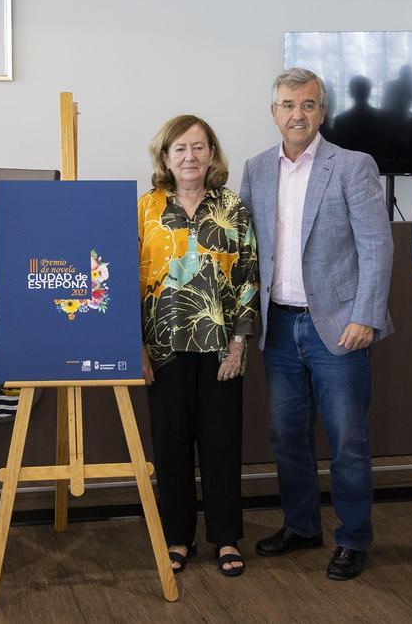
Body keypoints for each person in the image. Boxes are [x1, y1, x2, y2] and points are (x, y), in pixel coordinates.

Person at [239, 68, 393, 581]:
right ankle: (302, 526)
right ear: (274, 112)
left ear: (321, 112)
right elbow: (244, 249)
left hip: (339, 328)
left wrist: (366, 316)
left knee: (347, 439)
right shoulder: (256, 168)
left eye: (307, 105)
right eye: (287, 104)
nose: (297, 114)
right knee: (287, 436)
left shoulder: (352, 165)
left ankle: (352, 538)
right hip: (278, 326)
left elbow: (376, 246)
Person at [137, 115, 258, 577]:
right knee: (170, 449)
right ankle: (176, 538)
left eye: (199, 147)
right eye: (180, 149)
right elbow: (127, 278)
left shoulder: (234, 207)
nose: (190, 156)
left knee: (221, 445)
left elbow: (248, 276)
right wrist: (136, 346)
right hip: (162, 349)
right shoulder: (144, 208)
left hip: (220, 350)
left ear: (212, 154)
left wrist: (238, 345)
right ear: (165, 157)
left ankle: (226, 538)